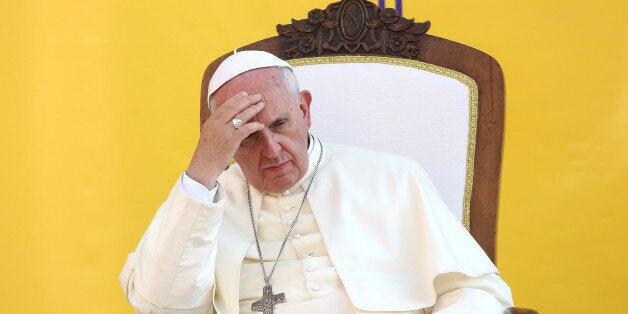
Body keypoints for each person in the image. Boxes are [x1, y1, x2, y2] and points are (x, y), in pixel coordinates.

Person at [120, 50, 514, 314]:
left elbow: (476, 289)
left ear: (304, 110)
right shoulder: (203, 202)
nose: (272, 151)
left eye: (280, 124)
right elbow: (160, 305)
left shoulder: (394, 177)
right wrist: (203, 170)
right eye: (249, 137)